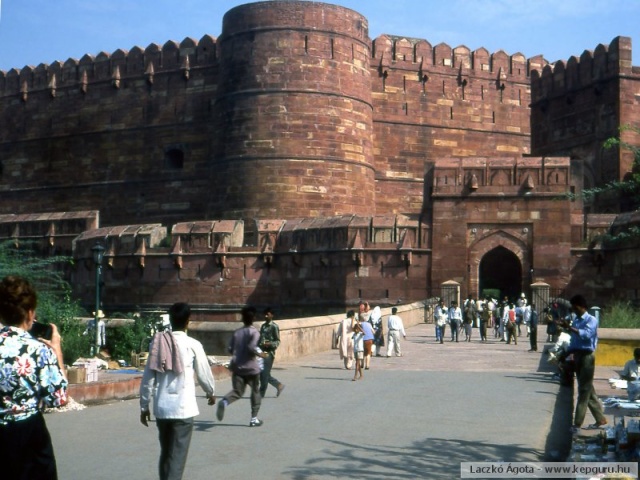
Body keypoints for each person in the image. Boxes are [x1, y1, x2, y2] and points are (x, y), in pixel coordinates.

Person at [0, 275, 68, 480]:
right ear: (30, 313)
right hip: (29, 435)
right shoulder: (38, 350)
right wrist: (57, 351)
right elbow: (59, 397)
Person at [139, 302, 216, 480]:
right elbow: (204, 373)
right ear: (188, 321)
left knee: (166, 454)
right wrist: (210, 391)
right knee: (177, 457)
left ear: (170, 320)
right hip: (183, 409)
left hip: (162, 409)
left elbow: (148, 378)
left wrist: (144, 406)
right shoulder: (193, 344)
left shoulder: (157, 344)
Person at [558, 295, 607, 433]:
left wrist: (571, 328)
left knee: (584, 391)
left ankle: (577, 424)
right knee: (588, 388)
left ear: (582, 306)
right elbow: (574, 341)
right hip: (577, 356)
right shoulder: (576, 320)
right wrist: (565, 354)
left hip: (587, 357)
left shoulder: (591, 320)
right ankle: (600, 418)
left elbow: (586, 335)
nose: (573, 309)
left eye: (575, 307)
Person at [217, 306, 268, 427]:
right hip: (251, 368)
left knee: (237, 391)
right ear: (253, 318)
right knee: (255, 391)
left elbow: (230, 349)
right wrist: (260, 354)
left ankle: (224, 402)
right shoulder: (254, 332)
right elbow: (251, 347)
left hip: (237, 367)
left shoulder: (237, 332)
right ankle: (254, 419)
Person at [258, 307, 285, 398]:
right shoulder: (263, 326)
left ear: (272, 315)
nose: (266, 316)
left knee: (263, 374)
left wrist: (270, 344)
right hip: (262, 352)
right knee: (264, 373)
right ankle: (279, 385)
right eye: (265, 314)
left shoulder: (274, 326)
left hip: (269, 353)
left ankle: (261, 393)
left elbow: (277, 341)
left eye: (268, 314)